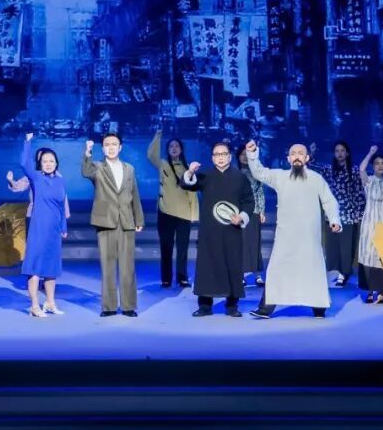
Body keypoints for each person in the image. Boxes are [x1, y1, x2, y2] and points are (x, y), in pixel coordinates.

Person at [245, 141, 341, 319]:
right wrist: (252, 155)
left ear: (307, 158)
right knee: (276, 269)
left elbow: (329, 201)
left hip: (309, 237)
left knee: (312, 270)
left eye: (300, 153)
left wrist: (334, 219)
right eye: (293, 153)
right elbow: (259, 172)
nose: (297, 156)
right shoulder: (280, 177)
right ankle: (265, 308)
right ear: (288, 159)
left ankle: (319, 307)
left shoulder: (316, 179)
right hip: (286, 236)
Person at [181, 142, 255, 317]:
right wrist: (190, 172)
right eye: (216, 154)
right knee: (207, 267)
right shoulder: (205, 175)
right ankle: (205, 306)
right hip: (209, 230)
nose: (220, 157)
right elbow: (186, 185)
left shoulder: (240, 177)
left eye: (223, 154)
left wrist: (242, 217)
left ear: (229, 156)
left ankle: (232, 306)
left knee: (232, 266)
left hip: (231, 230)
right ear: (213, 158)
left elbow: (249, 201)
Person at [82, 133, 144, 317]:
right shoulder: (97, 167)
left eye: (114, 144)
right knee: (107, 266)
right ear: (102, 148)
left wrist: (139, 219)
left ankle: (128, 306)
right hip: (105, 220)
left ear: (120, 147)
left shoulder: (129, 168)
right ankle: (108, 307)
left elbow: (135, 194)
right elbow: (85, 171)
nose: (111, 147)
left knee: (127, 267)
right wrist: (87, 152)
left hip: (126, 220)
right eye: (107, 144)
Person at [20, 134, 68, 317]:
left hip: (54, 230)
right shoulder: (37, 178)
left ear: (56, 163)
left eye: (51, 161)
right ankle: (34, 306)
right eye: (45, 161)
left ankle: (50, 302)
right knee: (35, 266)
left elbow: (61, 206)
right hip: (39, 228)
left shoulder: (60, 180)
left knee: (51, 268)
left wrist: (63, 227)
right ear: (40, 164)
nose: (48, 164)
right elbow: (24, 164)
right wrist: (27, 142)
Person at [310, 141, 366, 287]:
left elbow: (359, 193)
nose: (340, 153)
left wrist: (359, 214)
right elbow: (312, 167)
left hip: (348, 214)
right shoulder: (329, 170)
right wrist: (312, 153)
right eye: (337, 151)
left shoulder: (354, 171)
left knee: (346, 246)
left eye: (342, 150)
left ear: (347, 153)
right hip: (332, 214)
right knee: (332, 245)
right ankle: (334, 270)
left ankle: (344, 272)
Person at [148, 129, 199, 288]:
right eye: (171, 146)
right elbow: (151, 155)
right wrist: (158, 135)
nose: (174, 148)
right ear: (168, 150)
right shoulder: (163, 164)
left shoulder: (188, 168)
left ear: (181, 149)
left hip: (184, 214)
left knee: (183, 248)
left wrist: (194, 214)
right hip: (165, 212)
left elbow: (192, 193)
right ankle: (166, 278)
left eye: (177, 146)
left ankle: (182, 277)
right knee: (166, 247)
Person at [356, 146, 383, 303]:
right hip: (370, 224)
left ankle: (382, 291)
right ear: (373, 166)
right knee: (369, 255)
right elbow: (361, 169)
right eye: (377, 163)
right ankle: (370, 290)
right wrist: (371, 153)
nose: (380, 165)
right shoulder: (369, 181)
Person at [237, 144, 266, 286]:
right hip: (239, 213)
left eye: (246, 154)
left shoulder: (256, 173)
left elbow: (260, 192)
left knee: (255, 244)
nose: (244, 157)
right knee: (241, 244)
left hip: (254, 212)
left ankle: (258, 275)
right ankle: (241, 275)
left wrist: (262, 211)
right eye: (242, 154)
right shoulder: (234, 173)